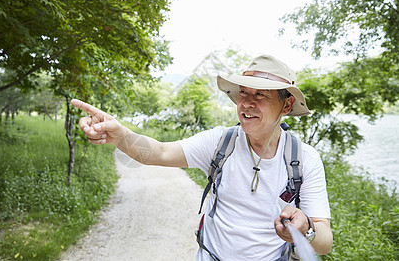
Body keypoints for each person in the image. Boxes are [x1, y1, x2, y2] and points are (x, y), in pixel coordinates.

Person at [71, 55, 333, 260]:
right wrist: (119, 135)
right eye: (243, 92)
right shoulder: (221, 142)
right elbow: (160, 152)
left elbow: (324, 242)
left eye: (261, 95)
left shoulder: (304, 160)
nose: (247, 103)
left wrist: (305, 228)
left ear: (286, 106)